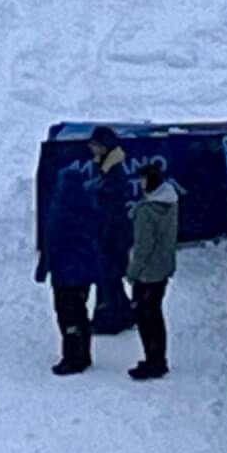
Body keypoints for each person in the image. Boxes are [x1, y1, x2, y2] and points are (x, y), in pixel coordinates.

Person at [35, 155, 101, 374]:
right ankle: (84, 354)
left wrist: (44, 267)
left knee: (67, 315)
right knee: (80, 312)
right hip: (84, 270)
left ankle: (72, 358)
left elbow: (51, 240)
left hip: (65, 271)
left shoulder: (60, 209)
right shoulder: (89, 204)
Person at [126, 160, 180, 380]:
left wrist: (132, 271)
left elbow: (142, 246)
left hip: (147, 273)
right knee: (155, 315)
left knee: (147, 319)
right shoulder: (171, 203)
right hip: (163, 268)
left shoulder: (146, 211)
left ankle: (153, 361)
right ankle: (158, 358)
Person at [86, 126, 135, 335]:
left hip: (112, 234)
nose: (90, 148)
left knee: (108, 277)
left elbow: (107, 202)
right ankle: (122, 313)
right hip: (110, 233)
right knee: (110, 277)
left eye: (95, 144)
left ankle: (110, 318)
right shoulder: (105, 167)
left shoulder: (112, 172)